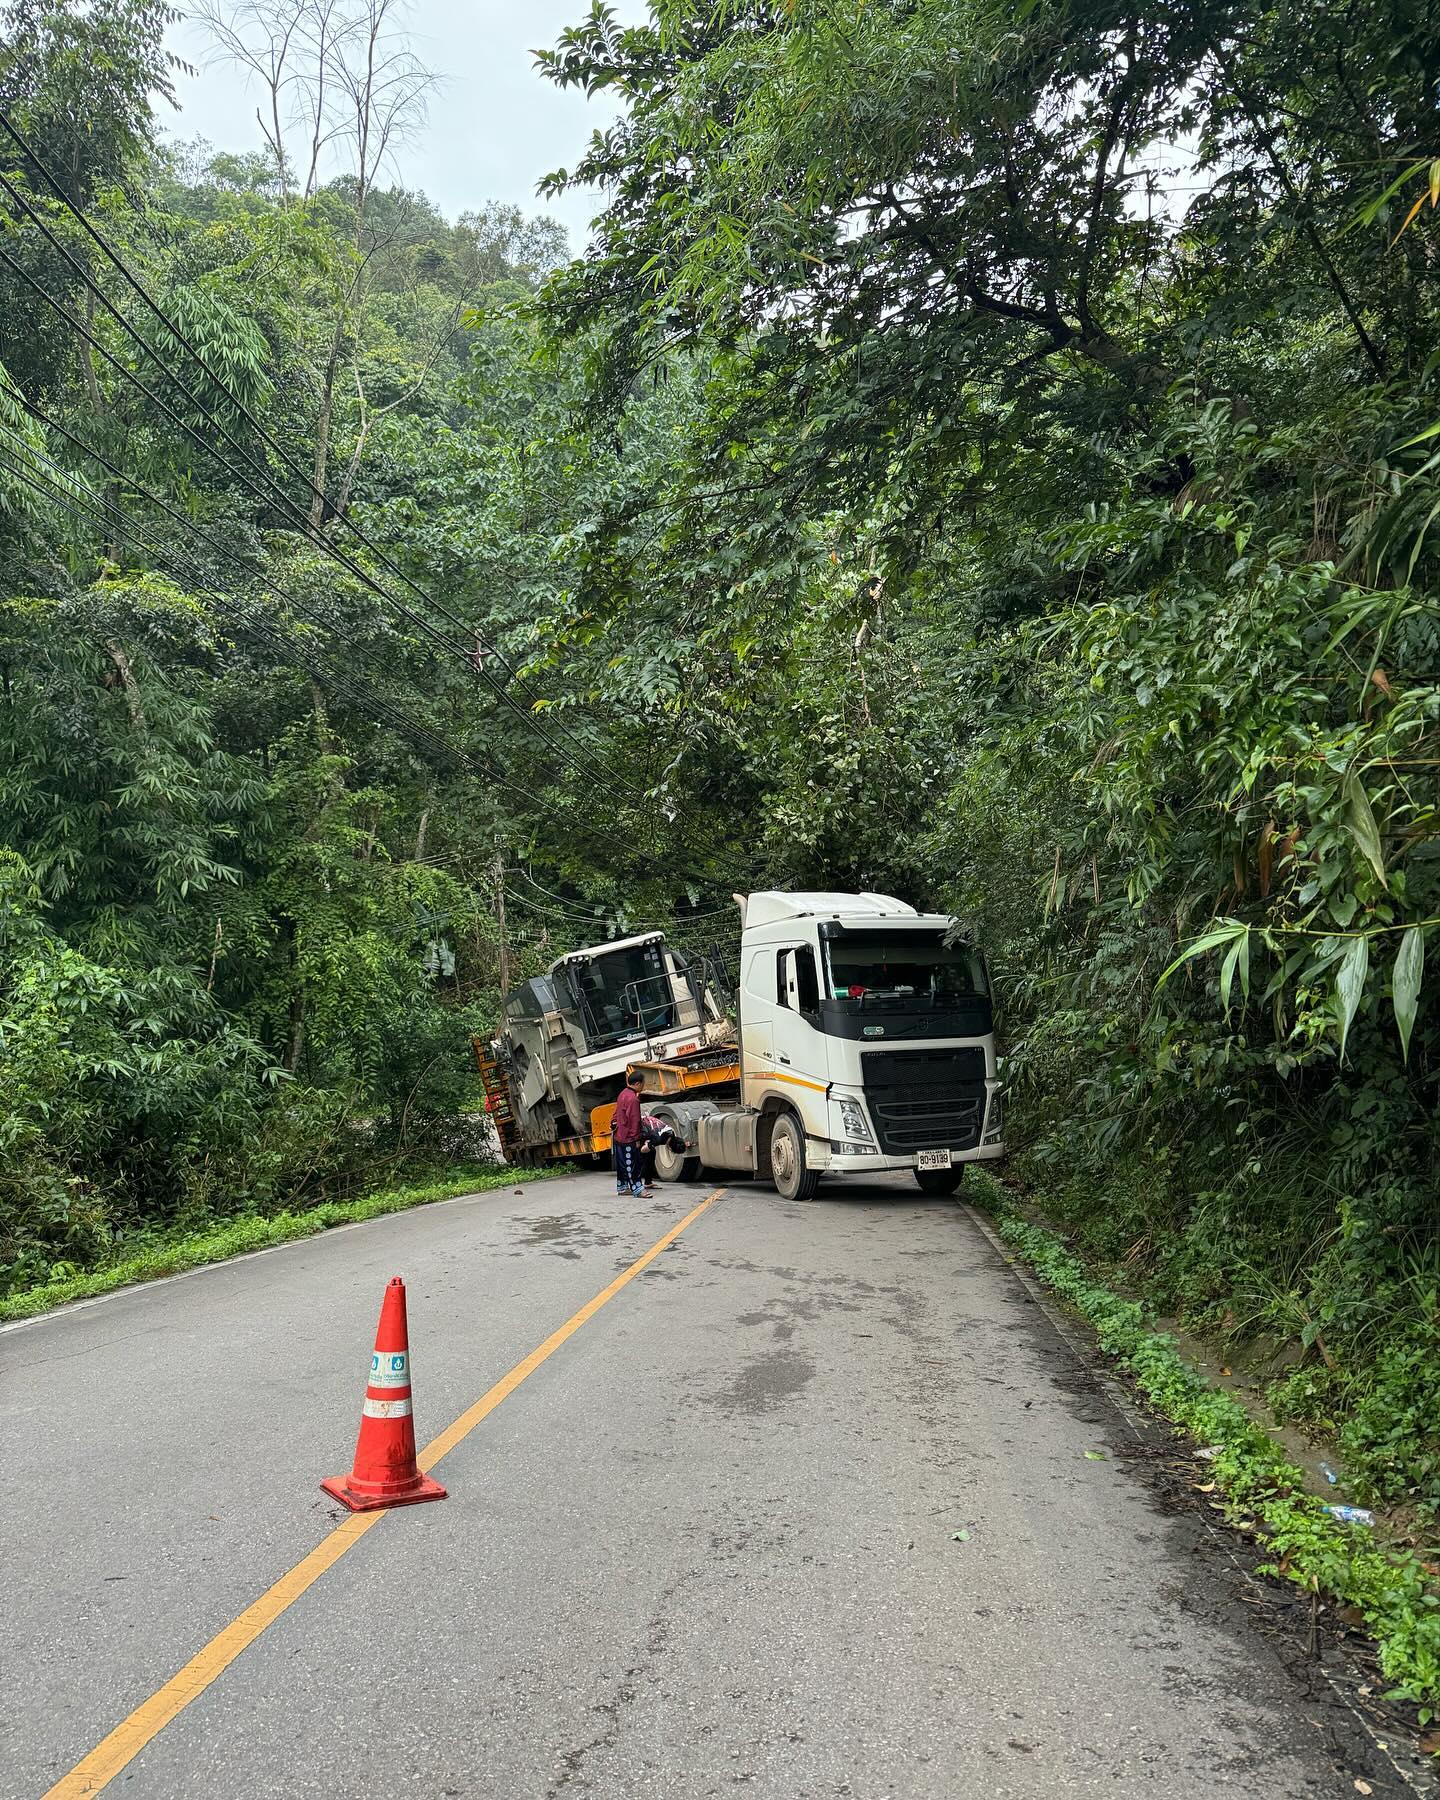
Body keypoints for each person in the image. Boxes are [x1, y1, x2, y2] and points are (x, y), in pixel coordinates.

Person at [611, 1070, 645, 1198]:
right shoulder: (633, 1099)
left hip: (619, 1134)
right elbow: (635, 1120)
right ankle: (638, 1189)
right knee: (633, 1164)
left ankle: (623, 1188)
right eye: (642, 1084)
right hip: (628, 1138)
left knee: (622, 1164)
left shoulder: (622, 1094)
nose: (643, 1087)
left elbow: (616, 1114)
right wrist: (636, 1138)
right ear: (637, 1083)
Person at [637, 1115, 679, 1194]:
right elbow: (643, 1150)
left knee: (651, 1152)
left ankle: (648, 1182)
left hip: (645, 1124)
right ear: (671, 1148)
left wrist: (648, 1144)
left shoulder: (671, 1132)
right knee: (640, 1156)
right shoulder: (660, 1138)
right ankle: (635, 1184)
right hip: (638, 1128)